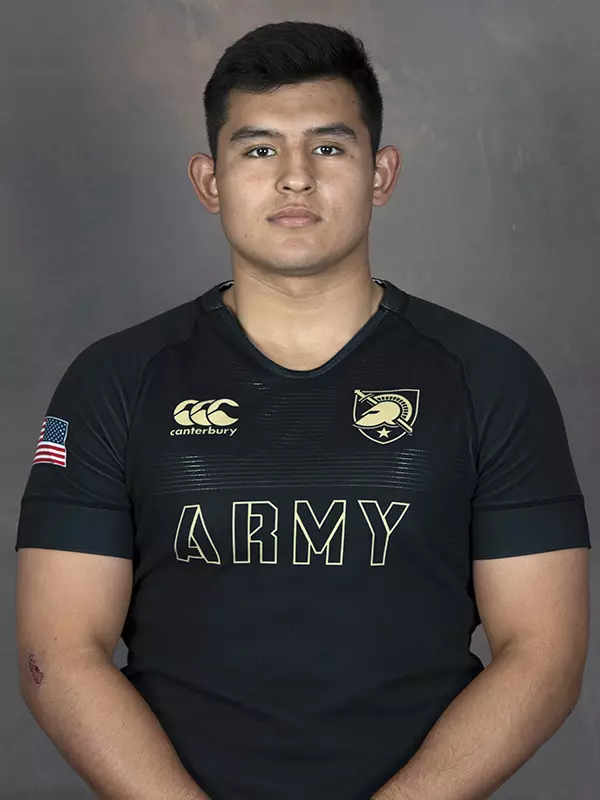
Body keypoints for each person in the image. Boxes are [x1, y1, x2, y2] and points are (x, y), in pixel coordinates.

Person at [15, 20, 591, 800]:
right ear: (209, 180)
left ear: (380, 172)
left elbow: (544, 654)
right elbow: (59, 650)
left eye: (328, 147)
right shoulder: (113, 382)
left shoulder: (489, 377)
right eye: (257, 149)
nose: (295, 178)